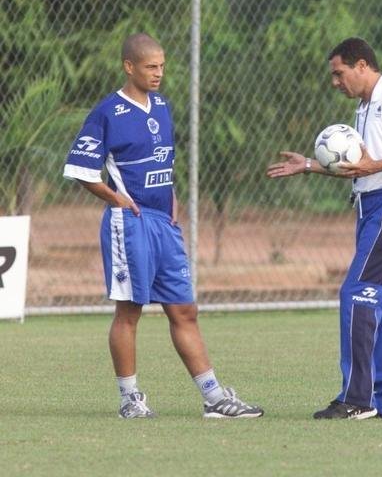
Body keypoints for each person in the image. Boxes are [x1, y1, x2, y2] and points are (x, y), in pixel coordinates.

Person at [63, 33, 263, 420]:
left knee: (184, 310)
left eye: (162, 66)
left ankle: (214, 397)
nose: (159, 73)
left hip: (164, 225)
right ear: (129, 67)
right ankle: (130, 399)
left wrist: (172, 200)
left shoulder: (163, 106)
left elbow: (164, 163)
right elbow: (81, 170)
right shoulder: (107, 112)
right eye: (151, 67)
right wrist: (116, 199)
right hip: (130, 221)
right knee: (130, 311)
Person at [267, 37, 382, 420]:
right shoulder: (363, 108)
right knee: (381, 300)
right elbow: (358, 166)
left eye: (338, 73)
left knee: (357, 291)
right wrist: (311, 165)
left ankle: (358, 399)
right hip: (371, 205)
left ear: (362, 65)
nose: (334, 82)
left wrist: (373, 167)